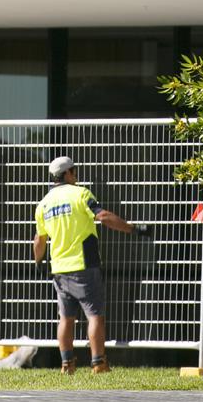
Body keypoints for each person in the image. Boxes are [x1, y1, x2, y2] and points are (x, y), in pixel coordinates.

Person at [33, 155, 150, 376]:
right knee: (95, 315)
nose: (75, 175)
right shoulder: (81, 194)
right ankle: (99, 363)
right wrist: (133, 229)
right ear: (67, 174)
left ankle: (67, 364)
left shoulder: (43, 204)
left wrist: (39, 263)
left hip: (59, 268)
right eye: (74, 171)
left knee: (66, 318)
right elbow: (103, 216)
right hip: (84, 265)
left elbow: (39, 240)